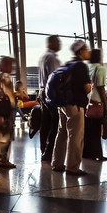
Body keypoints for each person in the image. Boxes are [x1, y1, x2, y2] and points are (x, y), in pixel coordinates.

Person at [52, 40, 91, 175]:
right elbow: (86, 88)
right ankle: (72, 167)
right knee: (76, 136)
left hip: (62, 104)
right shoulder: (80, 66)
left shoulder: (68, 64)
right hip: (75, 105)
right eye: (86, 49)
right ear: (80, 51)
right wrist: (90, 86)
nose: (88, 51)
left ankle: (57, 163)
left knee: (61, 133)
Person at [38, 35, 61, 163]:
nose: (60, 44)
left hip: (42, 91)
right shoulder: (51, 58)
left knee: (45, 123)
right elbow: (54, 79)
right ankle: (49, 151)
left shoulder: (43, 57)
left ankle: (44, 150)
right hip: (50, 93)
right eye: (58, 41)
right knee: (55, 123)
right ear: (51, 43)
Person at [83, 48, 107, 161]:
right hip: (97, 101)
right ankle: (97, 153)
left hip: (88, 101)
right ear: (99, 57)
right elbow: (101, 87)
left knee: (88, 130)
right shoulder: (100, 68)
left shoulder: (88, 67)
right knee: (97, 129)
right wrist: (105, 103)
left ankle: (87, 152)